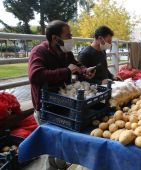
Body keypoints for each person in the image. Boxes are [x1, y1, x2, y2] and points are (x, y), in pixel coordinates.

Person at [28, 20, 95, 170]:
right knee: (52, 145)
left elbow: (76, 64)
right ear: (54, 38)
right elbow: (35, 75)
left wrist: (85, 70)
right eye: (68, 35)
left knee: (62, 142)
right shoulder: (39, 51)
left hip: (63, 102)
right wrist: (66, 71)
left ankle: (62, 165)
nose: (71, 38)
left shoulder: (65, 52)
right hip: (45, 105)